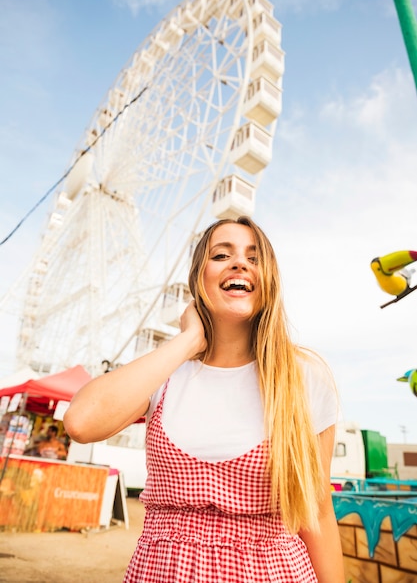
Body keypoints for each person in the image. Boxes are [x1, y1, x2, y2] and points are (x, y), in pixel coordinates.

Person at [64, 216, 345, 582]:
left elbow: (318, 511)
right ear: (199, 277)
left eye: (254, 257)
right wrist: (189, 341)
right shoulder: (165, 374)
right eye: (221, 254)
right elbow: (82, 422)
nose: (239, 263)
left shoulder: (304, 377)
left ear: (270, 280)